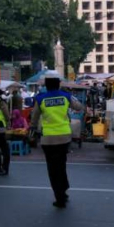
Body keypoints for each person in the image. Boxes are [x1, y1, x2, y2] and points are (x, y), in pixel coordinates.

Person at [30, 75, 84, 208]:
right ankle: (64, 191)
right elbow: (79, 107)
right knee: (61, 165)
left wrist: (32, 130)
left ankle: (59, 197)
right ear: (58, 85)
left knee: (52, 168)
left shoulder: (40, 99)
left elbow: (34, 118)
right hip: (64, 137)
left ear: (46, 86)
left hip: (48, 139)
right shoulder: (65, 96)